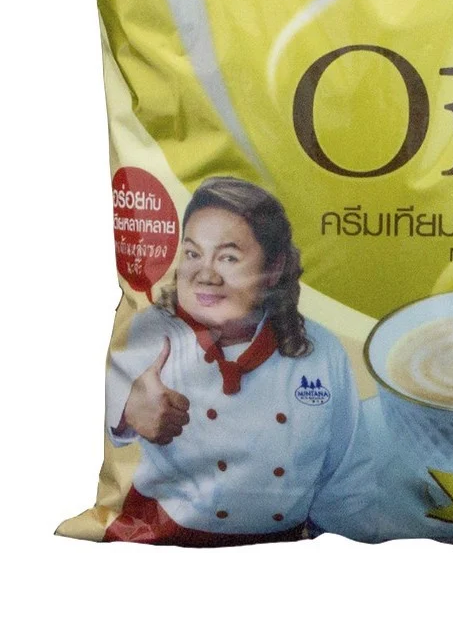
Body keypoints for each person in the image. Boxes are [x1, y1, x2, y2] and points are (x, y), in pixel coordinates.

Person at [104, 176, 374, 545]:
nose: (205, 275)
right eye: (193, 253)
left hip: (290, 547)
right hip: (162, 539)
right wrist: (127, 410)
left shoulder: (321, 349)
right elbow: (84, 415)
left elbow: (346, 475)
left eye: (228, 257)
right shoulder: (149, 329)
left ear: (274, 268)